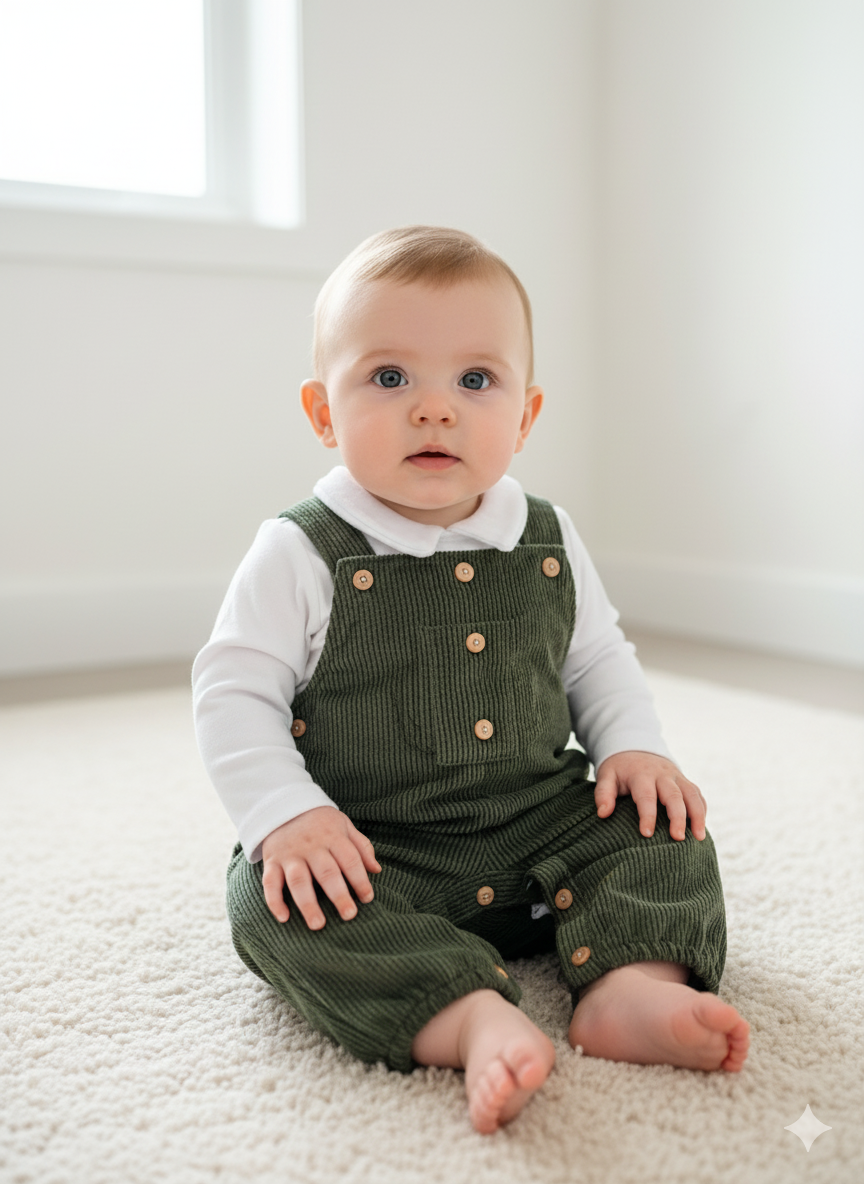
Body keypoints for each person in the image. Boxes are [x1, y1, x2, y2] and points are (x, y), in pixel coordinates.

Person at [192, 226, 749, 1135]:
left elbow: (597, 657)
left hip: (541, 826)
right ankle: (465, 1017)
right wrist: (286, 816)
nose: (435, 410)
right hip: (375, 848)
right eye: (389, 378)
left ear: (525, 416)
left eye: (475, 381)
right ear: (322, 412)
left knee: (665, 828)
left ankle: (629, 985)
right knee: (269, 902)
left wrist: (635, 748)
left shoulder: (547, 533)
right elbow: (232, 694)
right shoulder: (300, 550)